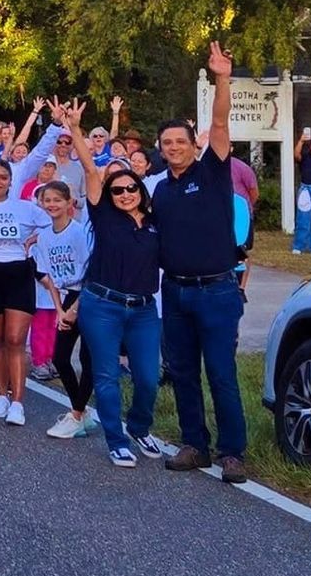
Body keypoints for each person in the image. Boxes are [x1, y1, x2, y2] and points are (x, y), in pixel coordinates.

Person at [152, 44, 249, 482]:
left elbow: (220, 122)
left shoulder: (212, 172)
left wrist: (222, 79)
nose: (173, 148)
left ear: (194, 145)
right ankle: (195, 445)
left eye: (180, 142)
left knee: (223, 374)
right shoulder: (159, 191)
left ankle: (233, 453)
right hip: (174, 291)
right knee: (184, 373)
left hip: (217, 290)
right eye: (167, 143)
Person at [62, 102, 175, 468]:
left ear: (141, 189)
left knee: (147, 378)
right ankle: (116, 438)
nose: (125, 194)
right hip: (102, 306)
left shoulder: (156, 222)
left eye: (131, 188)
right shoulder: (105, 216)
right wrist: (76, 130)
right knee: (107, 374)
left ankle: (140, 427)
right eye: (117, 190)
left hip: (143, 309)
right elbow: (91, 170)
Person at [0, 142, 56, 427]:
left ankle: (18, 401)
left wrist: (36, 240)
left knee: (15, 340)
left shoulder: (26, 208)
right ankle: (1, 395)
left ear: (10, 181)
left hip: (19, 274)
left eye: (3, 177)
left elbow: (53, 225)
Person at [29, 181, 98, 440]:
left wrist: (75, 309)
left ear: (70, 203)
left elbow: (91, 275)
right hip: (66, 298)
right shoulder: (45, 237)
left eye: (58, 200)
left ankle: (77, 414)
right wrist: (60, 311)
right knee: (60, 358)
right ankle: (80, 412)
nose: (52, 205)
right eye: (47, 200)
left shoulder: (79, 233)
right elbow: (48, 278)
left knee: (88, 360)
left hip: (87, 296)